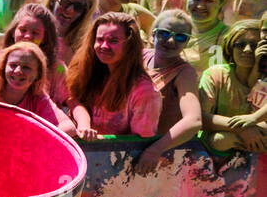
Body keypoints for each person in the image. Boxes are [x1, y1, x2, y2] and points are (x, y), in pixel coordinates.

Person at [66, 12, 161, 140]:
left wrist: (97, 139)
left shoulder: (144, 91)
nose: (104, 46)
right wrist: (84, 123)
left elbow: (139, 143)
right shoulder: (90, 70)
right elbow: (74, 99)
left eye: (113, 41)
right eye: (100, 40)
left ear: (130, 45)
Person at [137, 9, 203, 173]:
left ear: (187, 43)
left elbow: (193, 121)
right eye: (164, 33)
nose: (171, 40)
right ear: (153, 35)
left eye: (180, 37)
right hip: (124, 146)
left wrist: (155, 150)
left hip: (157, 158)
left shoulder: (184, 73)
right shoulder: (140, 56)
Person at [0, 41, 74, 135]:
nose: (18, 71)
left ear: (38, 74)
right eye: (13, 65)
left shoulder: (38, 99)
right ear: (3, 67)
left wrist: (34, 137)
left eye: (26, 67)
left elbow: (68, 127)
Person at [198, 20, 266, 152]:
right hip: (214, 151)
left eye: (254, 45)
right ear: (230, 47)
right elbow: (200, 118)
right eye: (240, 45)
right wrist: (243, 129)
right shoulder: (216, 74)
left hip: (258, 146)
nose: (247, 50)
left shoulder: (265, 80)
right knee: (221, 139)